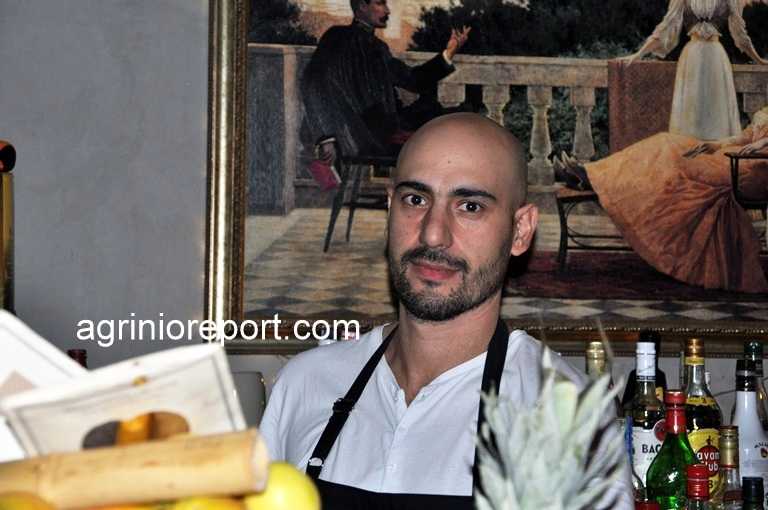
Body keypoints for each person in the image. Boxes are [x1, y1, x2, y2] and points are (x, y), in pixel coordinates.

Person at [260, 113, 633, 509]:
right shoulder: (304, 384)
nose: (433, 233)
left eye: (470, 206)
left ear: (520, 230)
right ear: (390, 208)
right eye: (415, 200)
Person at [555, 105, 768, 293]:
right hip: (733, 158)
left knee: (670, 163)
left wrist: (763, 143)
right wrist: (715, 144)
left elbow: (756, 144)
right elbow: (744, 138)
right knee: (665, 143)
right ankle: (591, 175)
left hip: (753, 169)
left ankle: (588, 177)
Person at [301, 0, 470, 165]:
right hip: (361, 137)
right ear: (362, 6)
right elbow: (313, 82)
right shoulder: (337, 37)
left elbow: (413, 80)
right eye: (380, 3)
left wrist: (449, 53)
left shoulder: (379, 47)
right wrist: (326, 137)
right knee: (444, 133)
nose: (387, 11)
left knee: (455, 116)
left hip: (386, 127)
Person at [622, 0, 767, 141]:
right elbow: (665, 29)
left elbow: (740, 35)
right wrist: (639, 54)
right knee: (691, 115)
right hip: (692, 58)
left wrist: (758, 60)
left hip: (716, 58)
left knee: (716, 111)